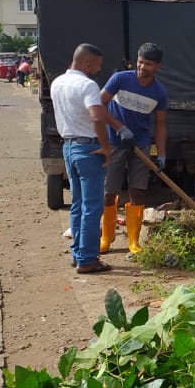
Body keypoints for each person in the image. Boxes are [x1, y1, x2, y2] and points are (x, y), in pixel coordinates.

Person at [49, 44, 128, 274]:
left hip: (69, 147)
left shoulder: (58, 83)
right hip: (88, 149)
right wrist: (105, 146)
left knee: (78, 205)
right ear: (86, 64)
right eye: (97, 64)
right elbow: (96, 115)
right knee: (93, 208)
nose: (99, 69)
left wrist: (116, 126)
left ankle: (78, 254)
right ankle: (88, 260)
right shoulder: (87, 85)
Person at [99, 43, 168, 256]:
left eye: (147, 64)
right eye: (140, 62)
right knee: (109, 192)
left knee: (137, 192)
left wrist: (162, 154)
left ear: (157, 66)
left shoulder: (159, 92)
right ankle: (106, 236)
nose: (142, 67)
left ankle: (133, 241)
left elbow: (160, 124)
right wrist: (119, 128)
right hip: (114, 143)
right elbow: (99, 104)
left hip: (140, 146)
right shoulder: (120, 79)